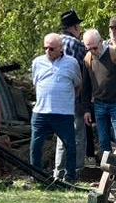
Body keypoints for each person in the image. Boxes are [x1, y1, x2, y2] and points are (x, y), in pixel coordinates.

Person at [30, 33, 82, 182]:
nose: (48, 51)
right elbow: (36, 84)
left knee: (70, 145)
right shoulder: (37, 62)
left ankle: (70, 177)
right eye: (45, 48)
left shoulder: (71, 63)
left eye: (51, 48)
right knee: (35, 145)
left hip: (63, 113)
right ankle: (36, 176)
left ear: (61, 48)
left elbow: (78, 85)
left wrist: (67, 100)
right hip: (41, 111)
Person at [81, 28, 116, 154]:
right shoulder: (88, 59)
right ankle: (108, 166)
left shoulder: (115, 53)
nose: (92, 51)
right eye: (88, 48)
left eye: (94, 48)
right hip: (99, 104)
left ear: (101, 41)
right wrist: (87, 109)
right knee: (103, 141)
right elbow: (86, 87)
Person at [54, 9, 88, 177]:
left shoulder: (54, 43)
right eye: (78, 26)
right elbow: (87, 68)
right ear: (74, 27)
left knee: (61, 136)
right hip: (75, 95)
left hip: (57, 97)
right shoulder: (77, 45)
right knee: (78, 134)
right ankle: (76, 169)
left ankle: (58, 171)